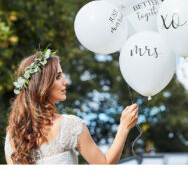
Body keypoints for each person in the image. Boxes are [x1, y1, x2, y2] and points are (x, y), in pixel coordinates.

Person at [4, 49, 139, 164]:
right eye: (58, 76)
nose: (66, 82)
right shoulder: (70, 125)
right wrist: (124, 127)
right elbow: (104, 166)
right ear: (42, 85)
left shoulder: (13, 134)